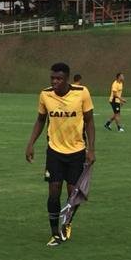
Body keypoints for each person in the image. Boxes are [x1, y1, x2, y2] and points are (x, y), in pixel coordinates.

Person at [26, 62, 95, 246]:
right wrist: (30, 143)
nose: (55, 81)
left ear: (66, 79)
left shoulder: (82, 93)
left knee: (73, 193)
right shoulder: (45, 95)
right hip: (55, 151)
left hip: (77, 151)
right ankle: (55, 232)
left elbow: (89, 122)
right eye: (52, 78)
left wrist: (92, 150)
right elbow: (41, 120)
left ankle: (68, 223)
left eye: (59, 79)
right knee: (54, 190)